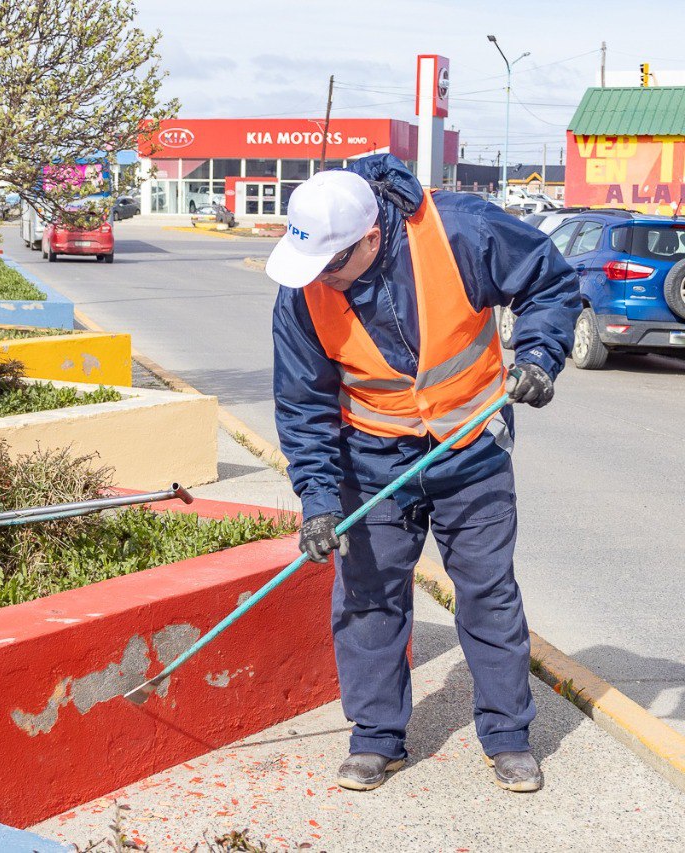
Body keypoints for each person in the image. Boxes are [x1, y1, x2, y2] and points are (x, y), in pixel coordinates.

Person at [265, 154, 580, 795]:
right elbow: (305, 405)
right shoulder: (301, 292)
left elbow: (551, 283)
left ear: (372, 236)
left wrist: (541, 355)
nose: (321, 280)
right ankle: (377, 739)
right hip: (371, 455)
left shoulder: (461, 231)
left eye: (333, 264)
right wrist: (319, 500)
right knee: (368, 595)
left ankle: (508, 737)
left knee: (488, 593)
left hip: (471, 446)